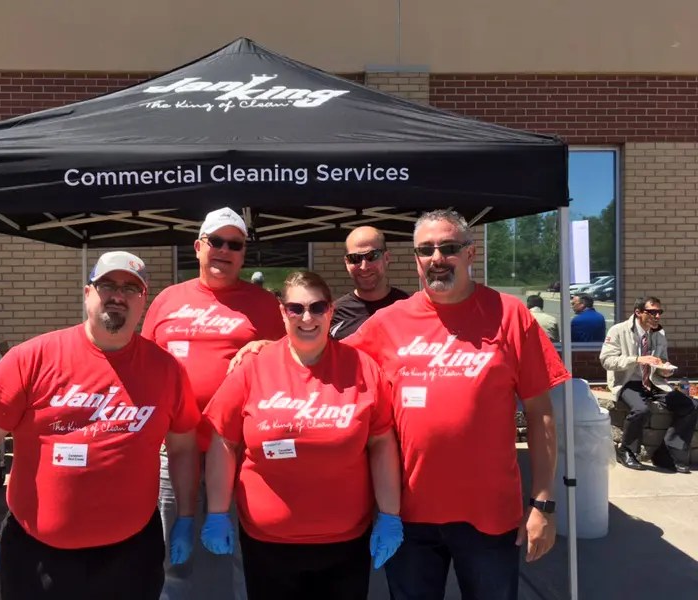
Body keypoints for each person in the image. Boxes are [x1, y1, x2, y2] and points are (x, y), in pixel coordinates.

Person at [344, 210, 569, 600]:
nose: (436, 258)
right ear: (415, 258)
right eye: (425, 249)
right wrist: (264, 347)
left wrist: (543, 502)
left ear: (470, 253)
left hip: (489, 518)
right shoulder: (387, 322)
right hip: (407, 517)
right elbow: (323, 360)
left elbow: (541, 413)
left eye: (448, 247)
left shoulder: (510, 314)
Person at [0, 251, 200, 600]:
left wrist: (186, 518)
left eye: (131, 288)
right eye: (107, 285)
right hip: (35, 554)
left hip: (130, 556)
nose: (118, 295)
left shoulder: (166, 370)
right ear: (87, 294)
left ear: (143, 301)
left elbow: (183, 446)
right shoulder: (31, 358)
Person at [200, 271, 403, 600]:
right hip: (268, 545)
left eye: (317, 307)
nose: (307, 317)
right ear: (282, 312)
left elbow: (381, 442)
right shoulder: (253, 368)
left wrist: (391, 515)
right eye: (296, 308)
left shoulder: (362, 368)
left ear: (331, 311)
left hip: (345, 544)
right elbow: (224, 439)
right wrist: (217, 511)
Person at [141, 207, 285, 600]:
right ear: (198, 247)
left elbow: (291, 364)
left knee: (245, 551)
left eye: (234, 244)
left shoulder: (263, 304)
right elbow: (142, 367)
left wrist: (268, 345)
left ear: (243, 254)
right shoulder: (168, 300)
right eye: (215, 242)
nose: (224, 250)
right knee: (173, 552)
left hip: (240, 452)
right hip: (175, 450)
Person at [599, 296, 697, 473]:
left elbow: (662, 361)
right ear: (638, 312)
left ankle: (666, 454)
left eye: (659, 312)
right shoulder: (619, 330)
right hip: (628, 381)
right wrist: (637, 359)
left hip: (653, 382)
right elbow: (606, 360)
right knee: (641, 410)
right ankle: (626, 450)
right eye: (652, 312)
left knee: (691, 405)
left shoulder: (659, 333)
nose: (657, 316)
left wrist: (665, 369)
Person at [330, 226, 409, 340]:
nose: (364, 267)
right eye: (355, 258)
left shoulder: (407, 307)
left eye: (372, 256)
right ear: (347, 263)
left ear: (386, 258)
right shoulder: (334, 316)